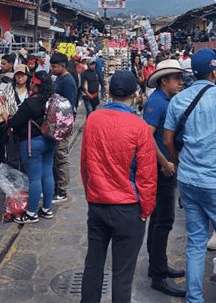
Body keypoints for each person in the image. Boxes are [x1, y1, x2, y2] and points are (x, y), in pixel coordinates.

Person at [163, 48, 216, 303]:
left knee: (196, 243)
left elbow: (167, 139)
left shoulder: (178, 99)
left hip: (188, 180)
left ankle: (194, 299)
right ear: (214, 71)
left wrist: (179, 162)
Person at [80, 70, 157, 303]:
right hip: (128, 209)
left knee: (93, 266)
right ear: (135, 94)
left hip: (98, 204)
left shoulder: (93, 119)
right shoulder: (139, 127)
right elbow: (146, 176)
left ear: (109, 92)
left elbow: (85, 165)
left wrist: (91, 194)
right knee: (122, 275)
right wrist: (145, 211)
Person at [143, 59, 187, 298]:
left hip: (165, 168)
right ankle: (158, 275)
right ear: (164, 81)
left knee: (159, 218)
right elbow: (147, 137)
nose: (181, 82)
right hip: (161, 170)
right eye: (176, 79)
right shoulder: (157, 102)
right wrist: (166, 162)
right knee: (164, 220)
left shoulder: (167, 100)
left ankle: (156, 265)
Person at [8, 71, 57, 223]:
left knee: (34, 178)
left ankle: (31, 213)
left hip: (32, 143)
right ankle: (47, 209)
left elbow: (14, 123)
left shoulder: (30, 103)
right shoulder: (53, 100)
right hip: (50, 140)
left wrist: (7, 120)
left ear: (35, 84)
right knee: (48, 174)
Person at [50, 51, 77, 203]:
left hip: (63, 125)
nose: (52, 69)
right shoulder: (60, 78)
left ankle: (62, 190)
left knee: (61, 157)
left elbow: (68, 106)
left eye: (54, 66)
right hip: (56, 125)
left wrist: (61, 127)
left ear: (62, 66)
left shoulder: (67, 81)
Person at [0, 64, 30, 172]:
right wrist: (4, 112)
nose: (20, 77)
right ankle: (13, 183)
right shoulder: (9, 88)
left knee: (25, 156)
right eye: (18, 75)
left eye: (22, 75)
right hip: (11, 126)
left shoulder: (31, 89)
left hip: (27, 127)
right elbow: (1, 101)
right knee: (12, 156)